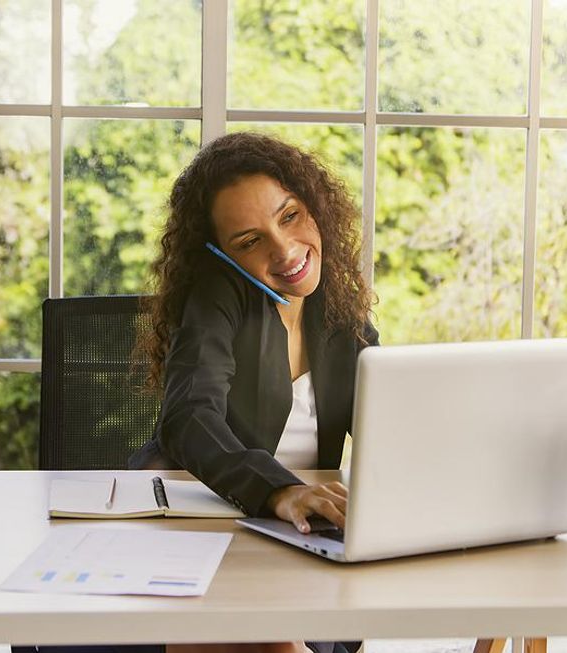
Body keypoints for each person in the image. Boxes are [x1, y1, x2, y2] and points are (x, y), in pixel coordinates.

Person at [129, 131, 379, 653]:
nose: (285, 250)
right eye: (250, 241)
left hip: (302, 543)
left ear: (315, 204)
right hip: (198, 525)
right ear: (222, 256)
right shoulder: (216, 297)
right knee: (267, 641)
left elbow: (391, 420)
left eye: (289, 216)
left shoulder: (336, 302)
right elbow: (187, 418)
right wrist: (279, 490)